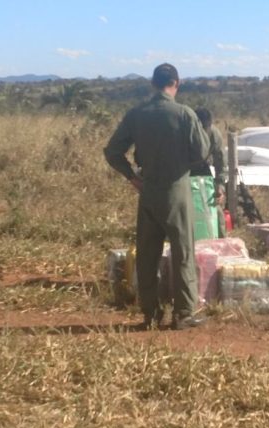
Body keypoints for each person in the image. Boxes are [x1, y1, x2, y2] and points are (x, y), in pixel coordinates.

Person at [104, 63, 210, 330]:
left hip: (148, 190)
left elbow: (112, 151)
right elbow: (202, 152)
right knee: (183, 251)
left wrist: (132, 176)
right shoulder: (184, 114)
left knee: (148, 254)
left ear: (153, 83)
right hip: (177, 190)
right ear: (177, 83)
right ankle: (183, 313)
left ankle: (150, 313)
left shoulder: (137, 114)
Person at [191, 108, 228, 237]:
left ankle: (221, 242)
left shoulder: (214, 134)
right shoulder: (182, 132)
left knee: (215, 210)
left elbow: (220, 162)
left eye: (205, 128)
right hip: (185, 172)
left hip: (203, 171)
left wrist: (220, 186)